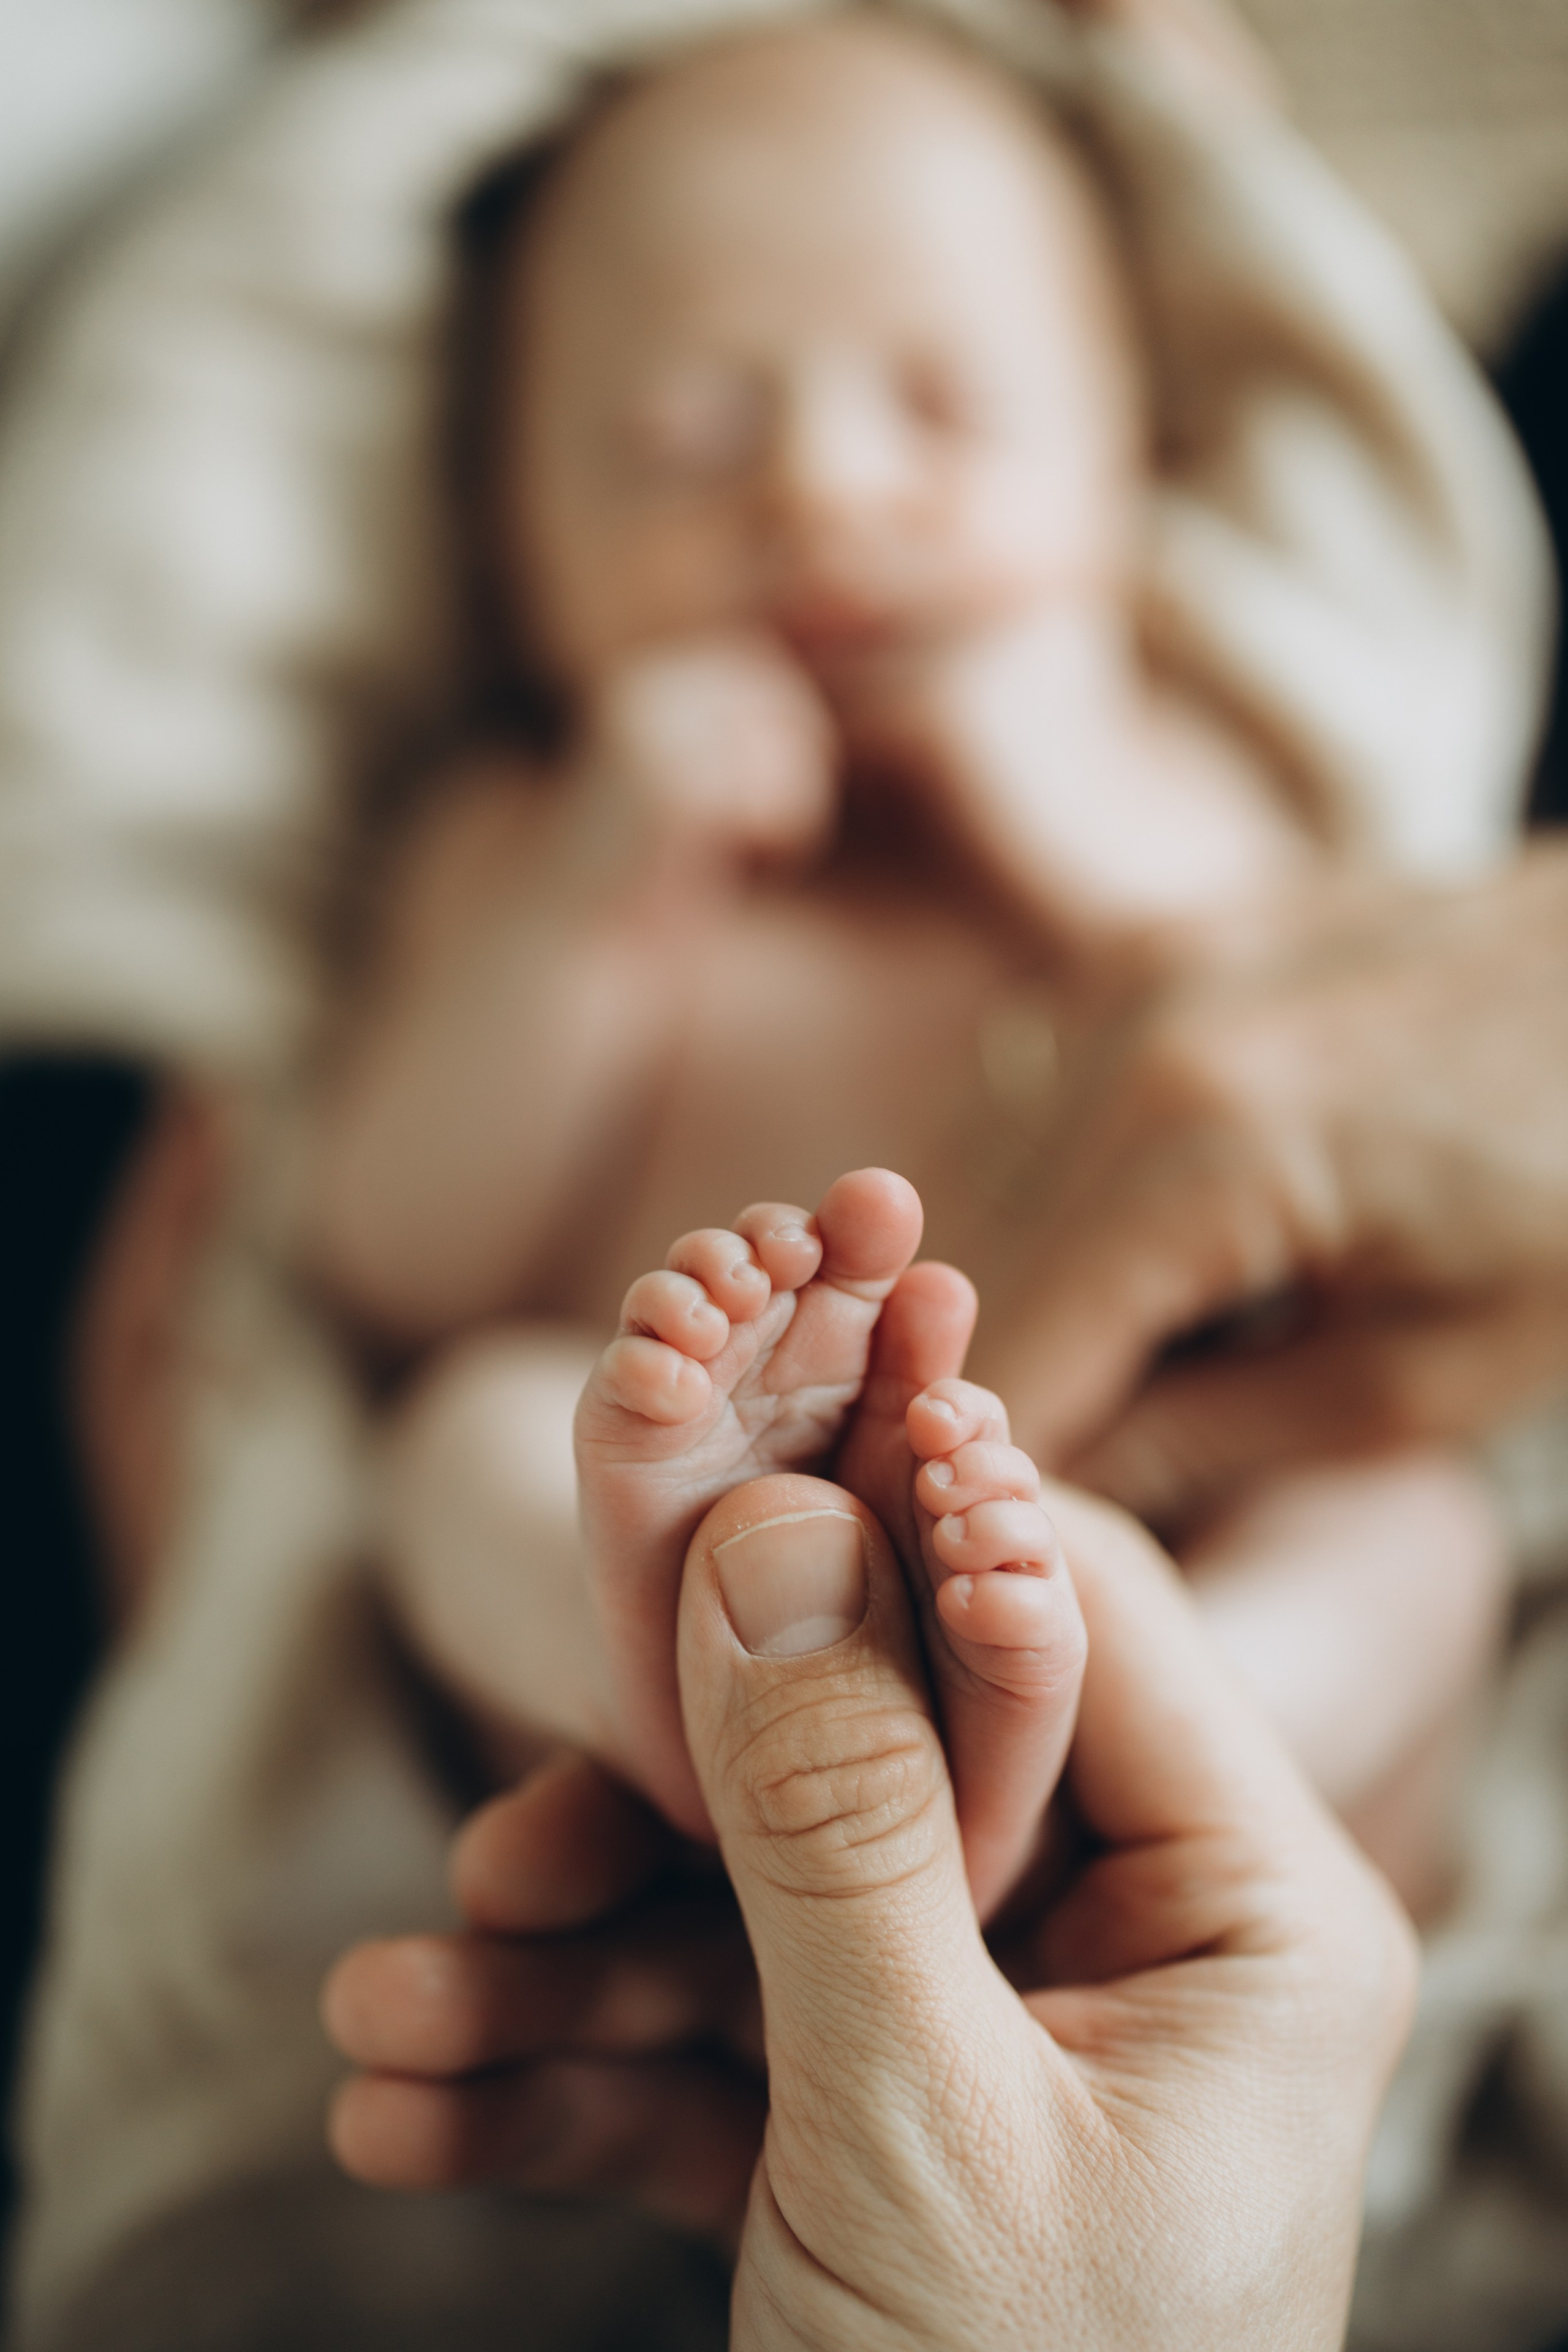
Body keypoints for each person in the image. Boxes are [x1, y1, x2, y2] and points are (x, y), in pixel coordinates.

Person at [296, 12, 1506, 1919]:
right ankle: (688, 1714)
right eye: (675, 443)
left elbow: (1327, 1082)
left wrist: (1057, 803)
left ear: (1128, 461)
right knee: (460, 1443)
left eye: (945, 411)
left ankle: (1171, 1730)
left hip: (1135, 1510)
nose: (820, 488)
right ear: (508, 533)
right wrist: (604, 899)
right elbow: (395, 1258)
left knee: (1412, 1524)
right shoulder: (519, 840)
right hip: (693, 1539)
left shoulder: (1174, 763)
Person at [325, 1410, 1419, 2348]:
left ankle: (654, 1675)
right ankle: (1091, 1725)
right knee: (1416, 1529)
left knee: (473, 1425)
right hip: (1175, 2020)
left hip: (830, 2007)